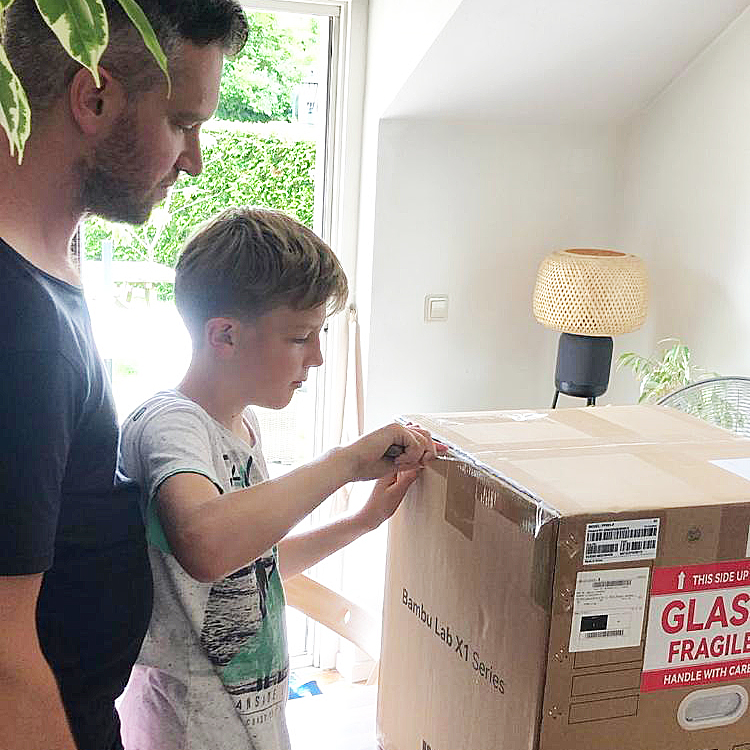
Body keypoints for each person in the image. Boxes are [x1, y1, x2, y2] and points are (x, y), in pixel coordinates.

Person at [0, 2, 248, 749]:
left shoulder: (50, 269)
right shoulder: (19, 328)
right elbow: (4, 666)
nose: (194, 160)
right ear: (95, 97)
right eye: (182, 122)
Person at [116, 206, 439, 750]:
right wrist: (344, 462)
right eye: (299, 337)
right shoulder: (170, 424)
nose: (317, 357)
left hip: (252, 725)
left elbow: (251, 571)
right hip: (187, 730)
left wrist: (361, 521)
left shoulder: (243, 426)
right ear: (225, 335)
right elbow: (207, 544)